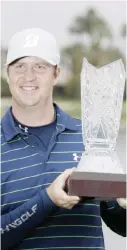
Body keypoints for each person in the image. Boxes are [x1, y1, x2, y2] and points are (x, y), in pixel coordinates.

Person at [1, 28, 126, 250]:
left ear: (56, 73)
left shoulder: (88, 137)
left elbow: (122, 226)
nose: (28, 76)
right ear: (6, 73)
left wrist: (122, 205)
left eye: (40, 66)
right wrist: (47, 200)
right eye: (20, 66)